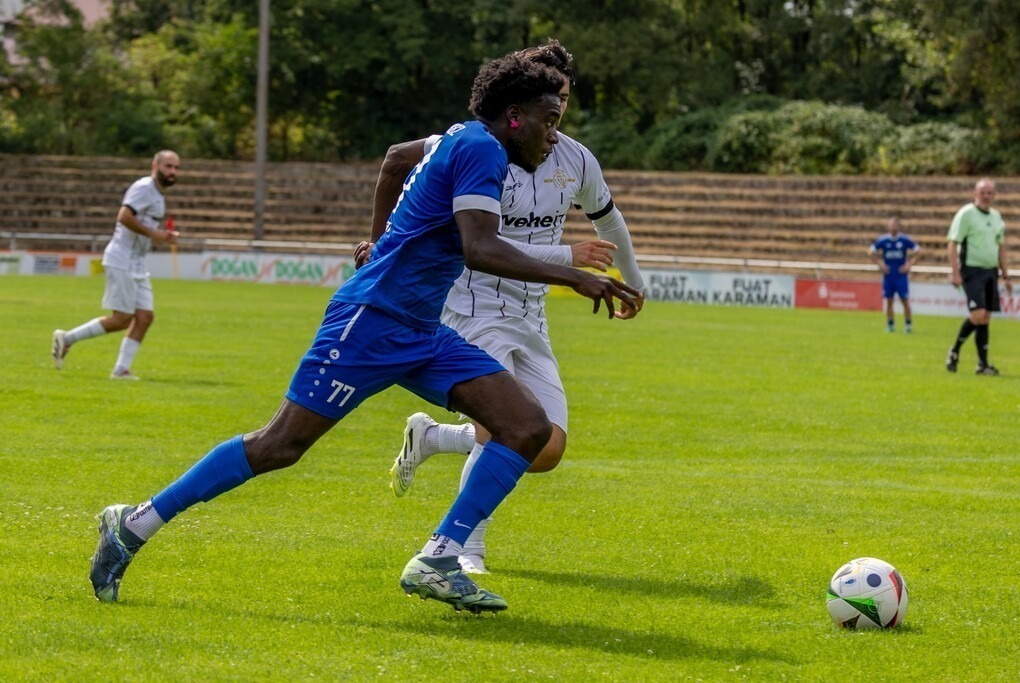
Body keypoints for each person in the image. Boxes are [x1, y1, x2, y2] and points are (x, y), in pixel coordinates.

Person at [88, 53, 639, 614]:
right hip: (370, 322)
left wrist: (381, 241)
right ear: (515, 116)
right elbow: (480, 247)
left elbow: (402, 168)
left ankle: (440, 558)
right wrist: (576, 275)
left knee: (526, 427)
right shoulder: (479, 148)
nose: (555, 134)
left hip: (422, 328)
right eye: (549, 119)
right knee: (280, 445)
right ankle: (132, 524)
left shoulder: (474, 144)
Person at [355, 40, 646, 575]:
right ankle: (465, 550)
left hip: (530, 313)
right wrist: (380, 247)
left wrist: (634, 282)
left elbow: (608, 219)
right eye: (546, 96)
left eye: (561, 96)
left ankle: (436, 438)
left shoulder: (575, 159)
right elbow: (409, 171)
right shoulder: (477, 146)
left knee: (547, 448)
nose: (555, 107)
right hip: (468, 305)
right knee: (500, 425)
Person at [51, 151, 181, 380]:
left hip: (137, 262)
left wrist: (162, 236)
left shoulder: (158, 195)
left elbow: (143, 225)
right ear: (155, 166)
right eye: (168, 166)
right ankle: (67, 338)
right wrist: (153, 233)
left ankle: (121, 370)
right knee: (122, 319)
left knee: (145, 317)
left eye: (176, 168)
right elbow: (123, 216)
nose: (172, 172)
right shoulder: (144, 187)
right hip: (122, 259)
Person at [945, 178, 1011, 376]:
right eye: (982, 192)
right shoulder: (966, 214)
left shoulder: (997, 217)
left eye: (990, 192)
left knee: (985, 318)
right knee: (977, 315)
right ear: (975, 193)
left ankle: (982, 365)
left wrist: (1005, 275)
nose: (986, 196)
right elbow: (953, 242)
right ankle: (954, 351)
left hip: (991, 271)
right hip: (972, 270)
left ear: (995, 195)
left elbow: (1000, 247)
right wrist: (955, 272)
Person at [869, 217, 920, 333]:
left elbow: (919, 251)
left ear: (899, 227)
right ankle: (890, 325)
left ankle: (908, 325)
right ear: (888, 227)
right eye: (891, 225)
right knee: (889, 301)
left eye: (895, 225)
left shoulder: (904, 240)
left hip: (901, 276)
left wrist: (909, 265)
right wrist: (880, 265)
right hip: (889, 276)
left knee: (905, 301)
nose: (893, 227)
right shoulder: (883, 240)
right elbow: (870, 252)